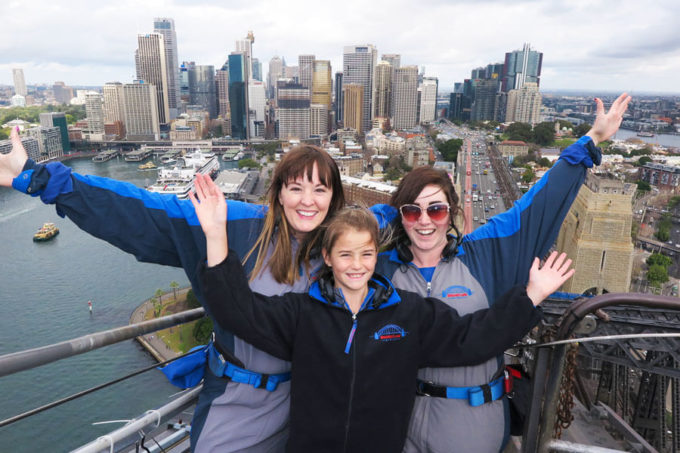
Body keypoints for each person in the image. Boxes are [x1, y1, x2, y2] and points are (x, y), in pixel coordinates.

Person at [0, 137, 345, 452]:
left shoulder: (344, 251)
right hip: (236, 402)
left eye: (320, 190)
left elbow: (394, 223)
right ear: (279, 193)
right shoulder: (240, 226)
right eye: (296, 188)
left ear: (334, 198)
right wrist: (41, 178)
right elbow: (142, 214)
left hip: (301, 406)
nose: (307, 201)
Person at [190, 172, 575, 452]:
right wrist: (215, 235)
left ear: (379, 257)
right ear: (327, 257)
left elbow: (472, 339)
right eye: (344, 254)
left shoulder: (408, 313)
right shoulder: (302, 313)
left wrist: (530, 296)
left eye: (366, 254)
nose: (356, 265)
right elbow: (237, 311)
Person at [374, 93, 632, 452]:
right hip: (404, 422)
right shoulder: (381, 268)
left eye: (435, 210)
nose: (424, 222)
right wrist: (384, 215)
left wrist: (593, 138)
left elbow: (536, 206)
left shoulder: (484, 255)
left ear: (452, 213)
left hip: (474, 424)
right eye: (411, 211)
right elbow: (329, 242)